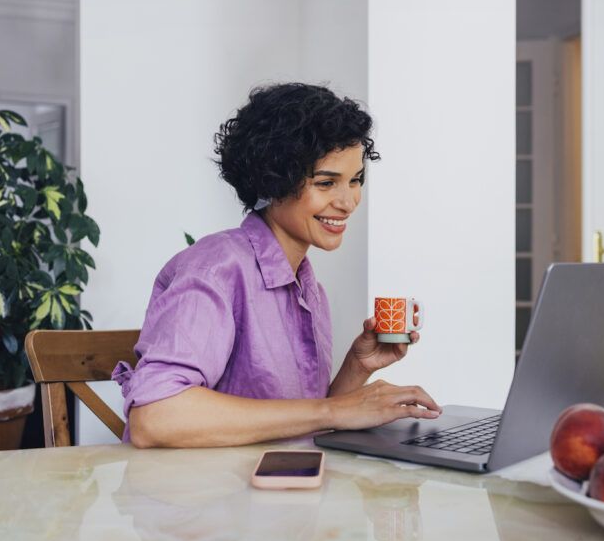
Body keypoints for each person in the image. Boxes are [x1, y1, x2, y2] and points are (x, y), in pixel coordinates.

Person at [112, 83, 441, 448]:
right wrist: (333, 412)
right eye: (326, 182)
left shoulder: (309, 290)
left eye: (355, 180)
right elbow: (155, 417)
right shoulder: (215, 269)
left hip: (273, 492)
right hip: (203, 499)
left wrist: (357, 367)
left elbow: (301, 426)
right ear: (275, 180)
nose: (348, 202)